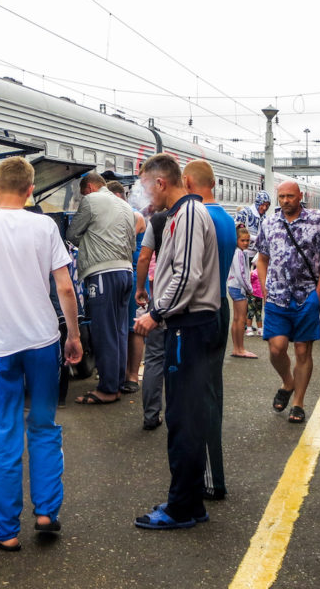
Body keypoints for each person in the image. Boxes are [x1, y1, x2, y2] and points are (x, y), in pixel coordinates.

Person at [0, 156, 83, 551]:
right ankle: (45, 512)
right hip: (43, 342)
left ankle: (5, 531)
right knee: (42, 426)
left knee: (1, 434)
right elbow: (65, 288)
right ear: (30, 189)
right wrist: (72, 335)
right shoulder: (44, 226)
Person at [133, 154, 220, 530]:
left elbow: (187, 274)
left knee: (183, 418)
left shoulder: (185, 216)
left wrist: (157, 313)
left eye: (144, 185)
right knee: (187, 415)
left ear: (161, 183)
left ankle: (181, 508)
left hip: (188, 326)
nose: (143, 194)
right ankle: (188, 499)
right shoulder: (182, 216)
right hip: (190, 325)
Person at [254, 180, 320, 424]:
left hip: (306, 297)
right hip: (277, 297)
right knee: (276, 348)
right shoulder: (269, 222)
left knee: (302, 350)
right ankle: (288, 382)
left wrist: (318, 294)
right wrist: (266, 288)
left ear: (300, 196)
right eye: (281, 197)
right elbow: (262, 258)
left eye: (290, 196)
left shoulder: (318, 221)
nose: (286, 201)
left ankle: (298, 402)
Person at [182, 159, 236, 502]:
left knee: (197, 398)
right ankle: (212, 474)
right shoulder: (227, 219)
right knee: (212, 393)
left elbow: (191, 275)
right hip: (221, 306)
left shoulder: (200, 219)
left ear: (187, 182)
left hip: (201, 313)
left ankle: (208, 479)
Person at [67, 172, 137, 404]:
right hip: (126, 272)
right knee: (119, 331)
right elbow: (132, 241)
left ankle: (107, 389)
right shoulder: (125, 206)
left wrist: (89, 242)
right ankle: (116, 383)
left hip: (102, 274)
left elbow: (72, 234)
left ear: (88, 188)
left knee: (104, 332)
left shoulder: (91, 200)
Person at [107, 179, 146, 394]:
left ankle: (132, 375)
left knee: (134, 327)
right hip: (123, 273)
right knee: (122, 327)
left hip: (133, 274)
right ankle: (122, 373)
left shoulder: (133, 215)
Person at [135, 208, 169, 430]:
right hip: (187, 300)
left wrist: (140, 288)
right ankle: (181, 414)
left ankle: (151, 415)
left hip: (159, 297)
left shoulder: (156, 221)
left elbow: (144, 256)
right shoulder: (196, 214)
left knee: (154, 358)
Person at [227, 226, 257, 358]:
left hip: (234, 286)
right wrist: (249, 288)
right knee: (240, 320)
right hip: (239, 288)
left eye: (247, 240)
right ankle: (239, 349)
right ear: (236, 240)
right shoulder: (239, 253)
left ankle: (237, 348)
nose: (246, 243)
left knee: (236, 319)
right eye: (243, 240)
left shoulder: (236, 252)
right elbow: (241, 274)